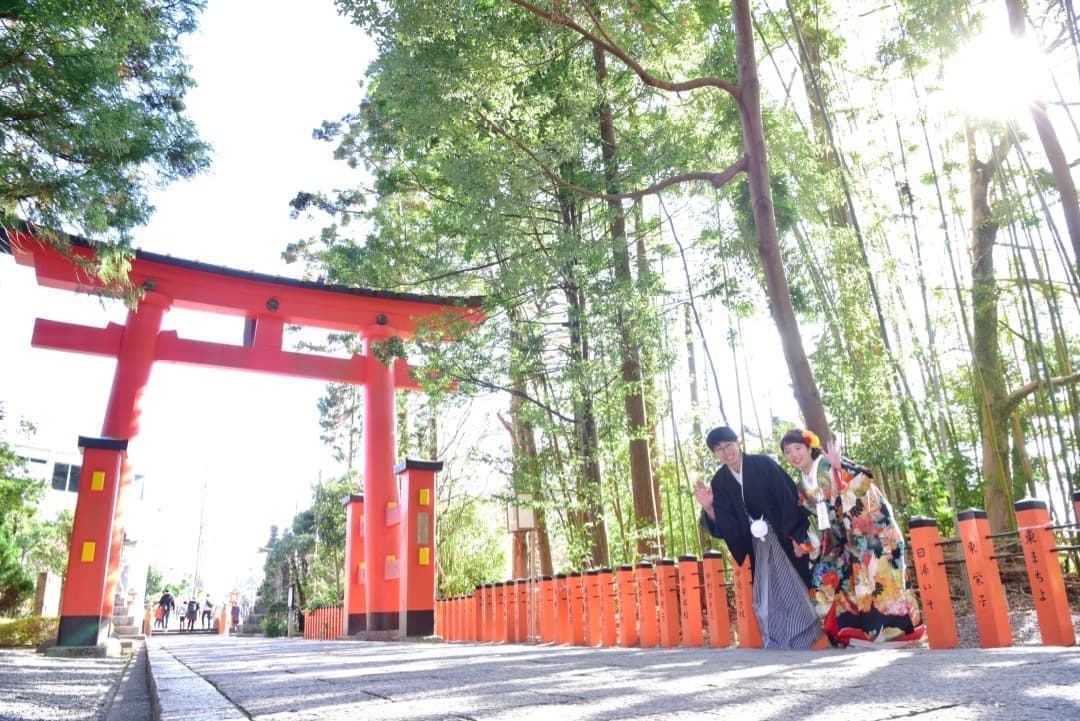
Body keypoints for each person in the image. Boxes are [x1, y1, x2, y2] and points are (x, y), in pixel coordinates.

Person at [780, 427, 925, 647]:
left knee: (880, 577)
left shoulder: (828, 464)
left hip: (873, 528)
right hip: (844, 537)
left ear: (810, 447)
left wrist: (839, 467)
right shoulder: (802, 486)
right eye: (788, 452)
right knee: (841, 579)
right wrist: (807, 544)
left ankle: (896, 632)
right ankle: (859, 632)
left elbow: (863, 479)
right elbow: (815, 519)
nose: (794, 455)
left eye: (798, 448)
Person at [692, 425, 826, 649]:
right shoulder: (720, 481)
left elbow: (788, 499)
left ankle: (803, 637)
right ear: (715, 454)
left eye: (729, 445)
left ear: (738, 443)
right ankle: (777, 639)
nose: (726, 452)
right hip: (757, 544)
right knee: (766, 593)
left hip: (782, 536)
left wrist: (798, 538)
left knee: (791, 586)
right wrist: (709, 508)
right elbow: (725, 524)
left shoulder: (763, 465)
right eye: (719, 449)